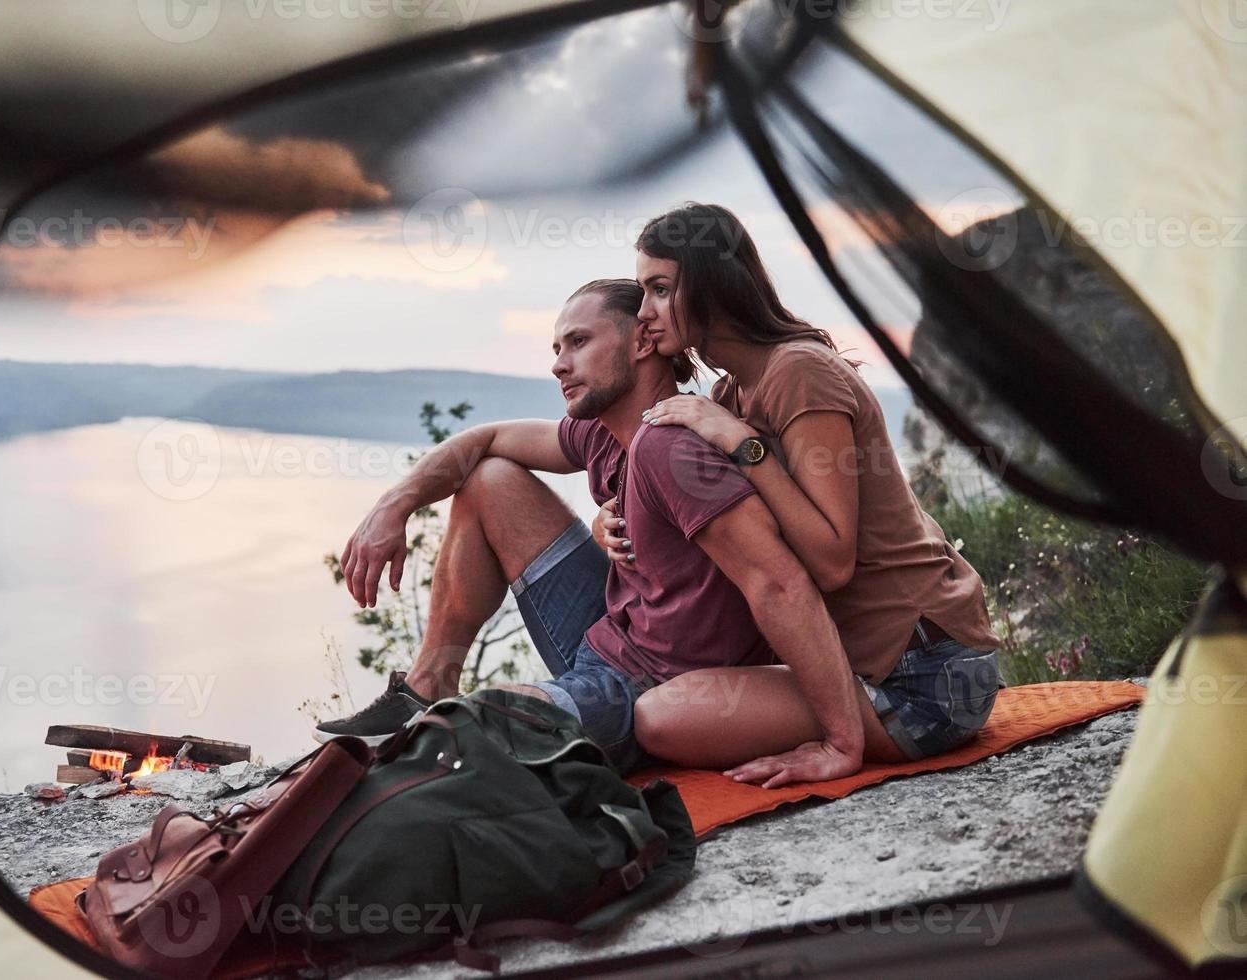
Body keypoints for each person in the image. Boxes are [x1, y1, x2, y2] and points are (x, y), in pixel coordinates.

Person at [318, 278, 906, 777]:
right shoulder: (603, 429)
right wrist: (394, 505)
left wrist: (841, 739)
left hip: (656, 685)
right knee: (489, 480)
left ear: (643, 341)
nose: (557, 364)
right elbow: (486, 439)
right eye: (556, 347)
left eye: (578, 342)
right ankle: (427, 683)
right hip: (609, 635)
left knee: (470, 731)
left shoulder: (677, 447)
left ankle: (453, 716)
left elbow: (779, 582)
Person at [609, 202, 1001, 783]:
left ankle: (845, 739)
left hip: (928, 677)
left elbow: (832, 558)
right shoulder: (734, 393)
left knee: (661, 718)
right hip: (883, 666)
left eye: (660, 289)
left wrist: (745, 445)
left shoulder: (797, 372)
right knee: (671, 703)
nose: (644, 313)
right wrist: (607, 518)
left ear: (713, 285)